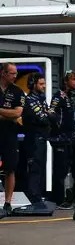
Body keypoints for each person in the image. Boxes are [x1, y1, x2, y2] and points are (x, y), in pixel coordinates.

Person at [22, 74, 57, 209]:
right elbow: (43, 119)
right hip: (33, 139)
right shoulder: (30, 100)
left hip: (42, 138)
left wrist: (49, 115)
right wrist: (49, 115)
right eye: (41, 84)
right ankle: (34, 198)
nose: (44, 86)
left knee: (41, 168)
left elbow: (53, 118)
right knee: (35, 169)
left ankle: (39, 196)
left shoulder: (41, 99)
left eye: (44, 83)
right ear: (33, 84)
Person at [49, 70, 75, 208]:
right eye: (73, 79)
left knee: (66, 169)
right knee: (60, 170)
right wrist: (59, 128)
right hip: (60, 139)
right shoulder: (58, 96)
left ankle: (65, 197)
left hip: (68, 138)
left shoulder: (70, 96)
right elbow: (51, 112)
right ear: (65, 81)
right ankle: (58, 199)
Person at [0, 62, 25, 216]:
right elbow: (11, 114)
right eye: (12, 73)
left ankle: (8, 203)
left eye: (16, 73)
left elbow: (17, 113)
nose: (15, 76)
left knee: (10, 168)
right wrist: (7, 114)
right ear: (3, 73)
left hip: (9, 135)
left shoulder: (17, 91)